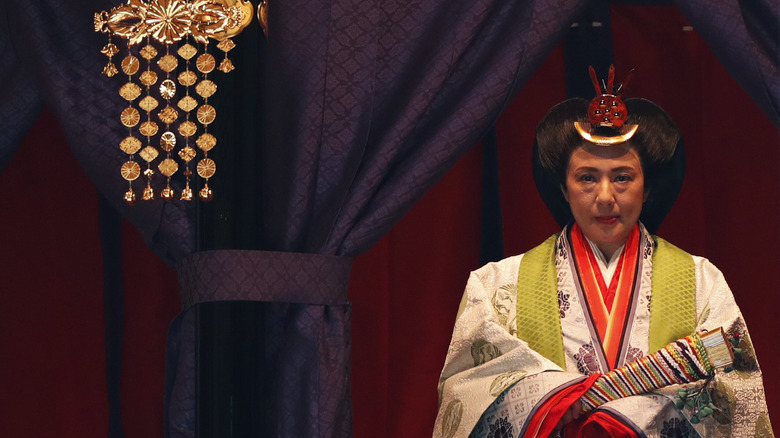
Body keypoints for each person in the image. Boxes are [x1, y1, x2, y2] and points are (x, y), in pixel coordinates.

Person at [433, 67, 773, 438]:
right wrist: (553, 401)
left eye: (623, 177)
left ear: (647, 188)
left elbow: (731, 375)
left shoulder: (701, 280)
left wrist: (622, 414)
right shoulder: (499, 284)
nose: (606, 197)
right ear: (564, 188)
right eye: (587, 178)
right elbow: (467, 389)